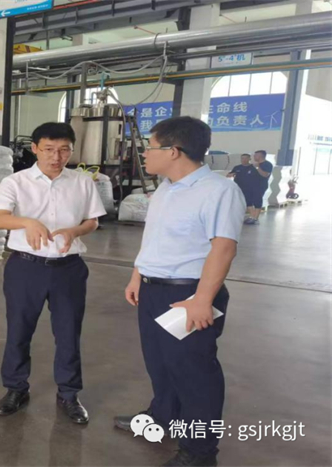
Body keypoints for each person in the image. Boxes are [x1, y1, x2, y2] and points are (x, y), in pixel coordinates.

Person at [116, 117, 245, 467]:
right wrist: (137, 275)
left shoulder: (218, 191)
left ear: (173, 151)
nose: (144, 153)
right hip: (152, 290)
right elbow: (154, 239)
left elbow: (223, 248)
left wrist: (202, 300)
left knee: (193, 374)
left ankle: (200, 452)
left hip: (189, 294)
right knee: (160, 363)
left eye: (150, 147)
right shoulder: (166, 188)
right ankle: (162, 418)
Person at [0, 122, 106, 423]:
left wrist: (74, 230)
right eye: (49, 150)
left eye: (64, 150)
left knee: (68, 333)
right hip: (25, 267)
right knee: (19, 330)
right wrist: (27, 222)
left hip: (68, 268)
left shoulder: (82, 182)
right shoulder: (15, 182)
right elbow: (0, 218)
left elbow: (93, 221)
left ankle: (69, 394)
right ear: (35, 149)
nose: (56, 157)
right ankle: (16, 389)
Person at [245, 150, 273, 225]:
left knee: (257, 201)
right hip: (250, 186)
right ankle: (251, 216)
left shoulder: (267, 164)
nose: (254, 157)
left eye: (255, 155)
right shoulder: (253, 165)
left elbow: (265, 174)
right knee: (248, 201)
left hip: (260, 185)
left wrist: (257, 167)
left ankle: (255, 218)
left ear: (260, 156)